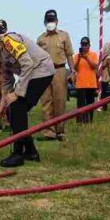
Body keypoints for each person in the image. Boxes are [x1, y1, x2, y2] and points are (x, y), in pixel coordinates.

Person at [0, 19, 55, 167]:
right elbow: (7, 81)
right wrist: (2, 107)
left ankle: (18, 154)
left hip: (41, 70)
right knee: (12, 110)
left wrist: (17, 94)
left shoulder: (8, 41)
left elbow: (27, 63)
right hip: (31, 73)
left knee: (17, 107)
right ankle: (31, 152)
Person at [37, 10, 75, 141]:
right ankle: (49, 132)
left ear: (57, 21)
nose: (50, 23)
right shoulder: (40, 39)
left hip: (59, 70)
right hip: (44, 72)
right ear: (44, 22)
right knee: (46, 102)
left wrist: (73, 70)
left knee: (60, 100)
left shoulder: (64, 36)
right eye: (48, 20)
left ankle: (60, 131)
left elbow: (69, 54)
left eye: (52, 20)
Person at [73, 37, 99, 124]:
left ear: (89, 45)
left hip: (91, 84)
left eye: (86, 45)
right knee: (80, 104)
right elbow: (75, 68)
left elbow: (95, 66)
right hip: (80, 84)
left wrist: (87, 58)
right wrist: (80, 58)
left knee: (90, 104)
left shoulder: (93, 54)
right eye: (82, 45)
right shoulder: (77, 56)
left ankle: (89, 120)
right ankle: (80, 121)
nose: (84, 47)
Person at [99, 41, 110, 111]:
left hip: (101, 77)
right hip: (106, 77)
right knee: (105, 93)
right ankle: (104, 107)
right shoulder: (109, 57)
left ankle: (102, 106)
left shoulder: (102, 57)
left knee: (103, 92)